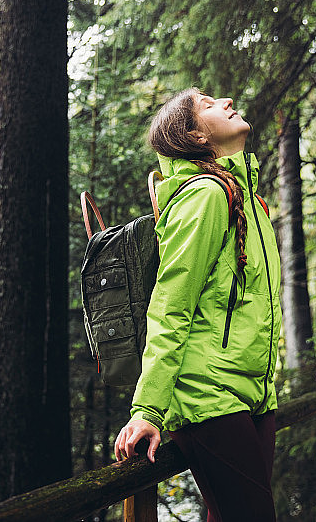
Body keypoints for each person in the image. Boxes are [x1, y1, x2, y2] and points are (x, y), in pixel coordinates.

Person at [114, 88, 282, 522]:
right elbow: (170, 306)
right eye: (207, 105)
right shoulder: (205, 196)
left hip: (252, 393)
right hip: (208, 394)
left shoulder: (250, 200)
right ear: (196, 137)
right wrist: (147, 410)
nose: (225, 102)